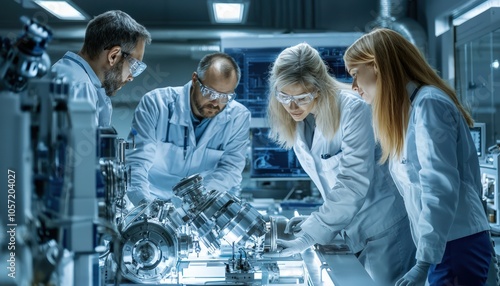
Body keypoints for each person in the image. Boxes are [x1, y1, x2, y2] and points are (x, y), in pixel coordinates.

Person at [344, 28, 493, 286]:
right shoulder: (410, 112)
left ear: (377, 65)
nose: (354, 86)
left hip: (455, 246)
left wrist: (423, 262)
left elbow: (439, 189)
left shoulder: (430, 105)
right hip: (443, 248)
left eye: (356, 74)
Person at [266, 42, 416, 286]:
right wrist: (313, 220)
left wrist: (311, 234)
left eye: (302, 97)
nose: (292, 106)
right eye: (284, 96)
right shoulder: (299, 119)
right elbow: (329, 181)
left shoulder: (353, 110)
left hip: (384, 230)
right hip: (351, 229)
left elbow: (352, 182)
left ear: (319, 88)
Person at [126, 52, 250, 206]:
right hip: (151, 196)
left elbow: (230, 169)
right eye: (210, 92)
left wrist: (198, 202)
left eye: (225, 97)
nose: (216, 102)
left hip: (200, 204)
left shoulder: (238, 117)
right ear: (194, 80)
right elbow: (136, 162)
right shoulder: (156, 104)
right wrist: (145, 206)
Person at [52, 10, 151, 127]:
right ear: (113, 56)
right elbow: (83, 144)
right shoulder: (81, 87)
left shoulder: (67, 73)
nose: (131, 78)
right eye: (134, 66)